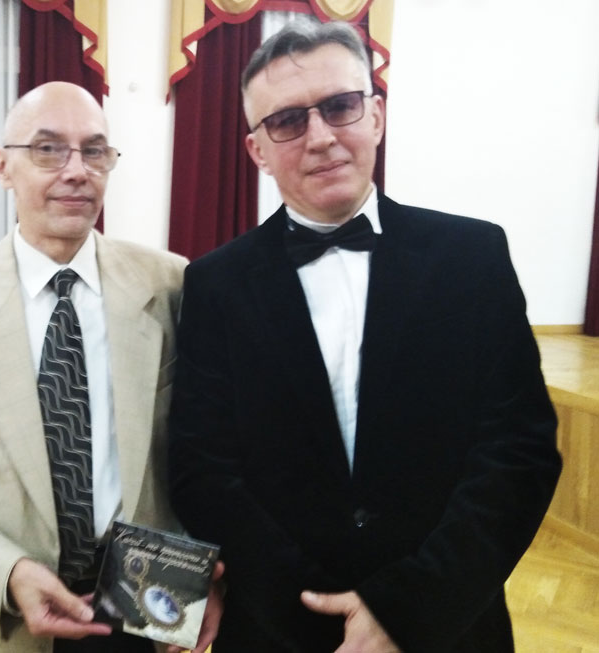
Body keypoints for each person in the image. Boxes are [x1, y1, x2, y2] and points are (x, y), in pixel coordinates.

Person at [167, 19, 561, 653]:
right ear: (257, 151)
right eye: (287, 121)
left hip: (447, 625)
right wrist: (311, 616)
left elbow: (519, 451)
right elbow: (202, 470)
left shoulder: (473, 255)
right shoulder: (214, 284)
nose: (321, 137)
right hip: (280, 631)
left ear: (375, 116)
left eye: (340, 106)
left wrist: (409, 609)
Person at [0, 81, 221, 653]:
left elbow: (206, 450)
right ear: (2, 166)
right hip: (7, 620)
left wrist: (207, 573)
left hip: (146, 608)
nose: (76, 171)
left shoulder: (172, 284)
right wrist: (4, 573)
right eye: (48, 149)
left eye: (94, 150)